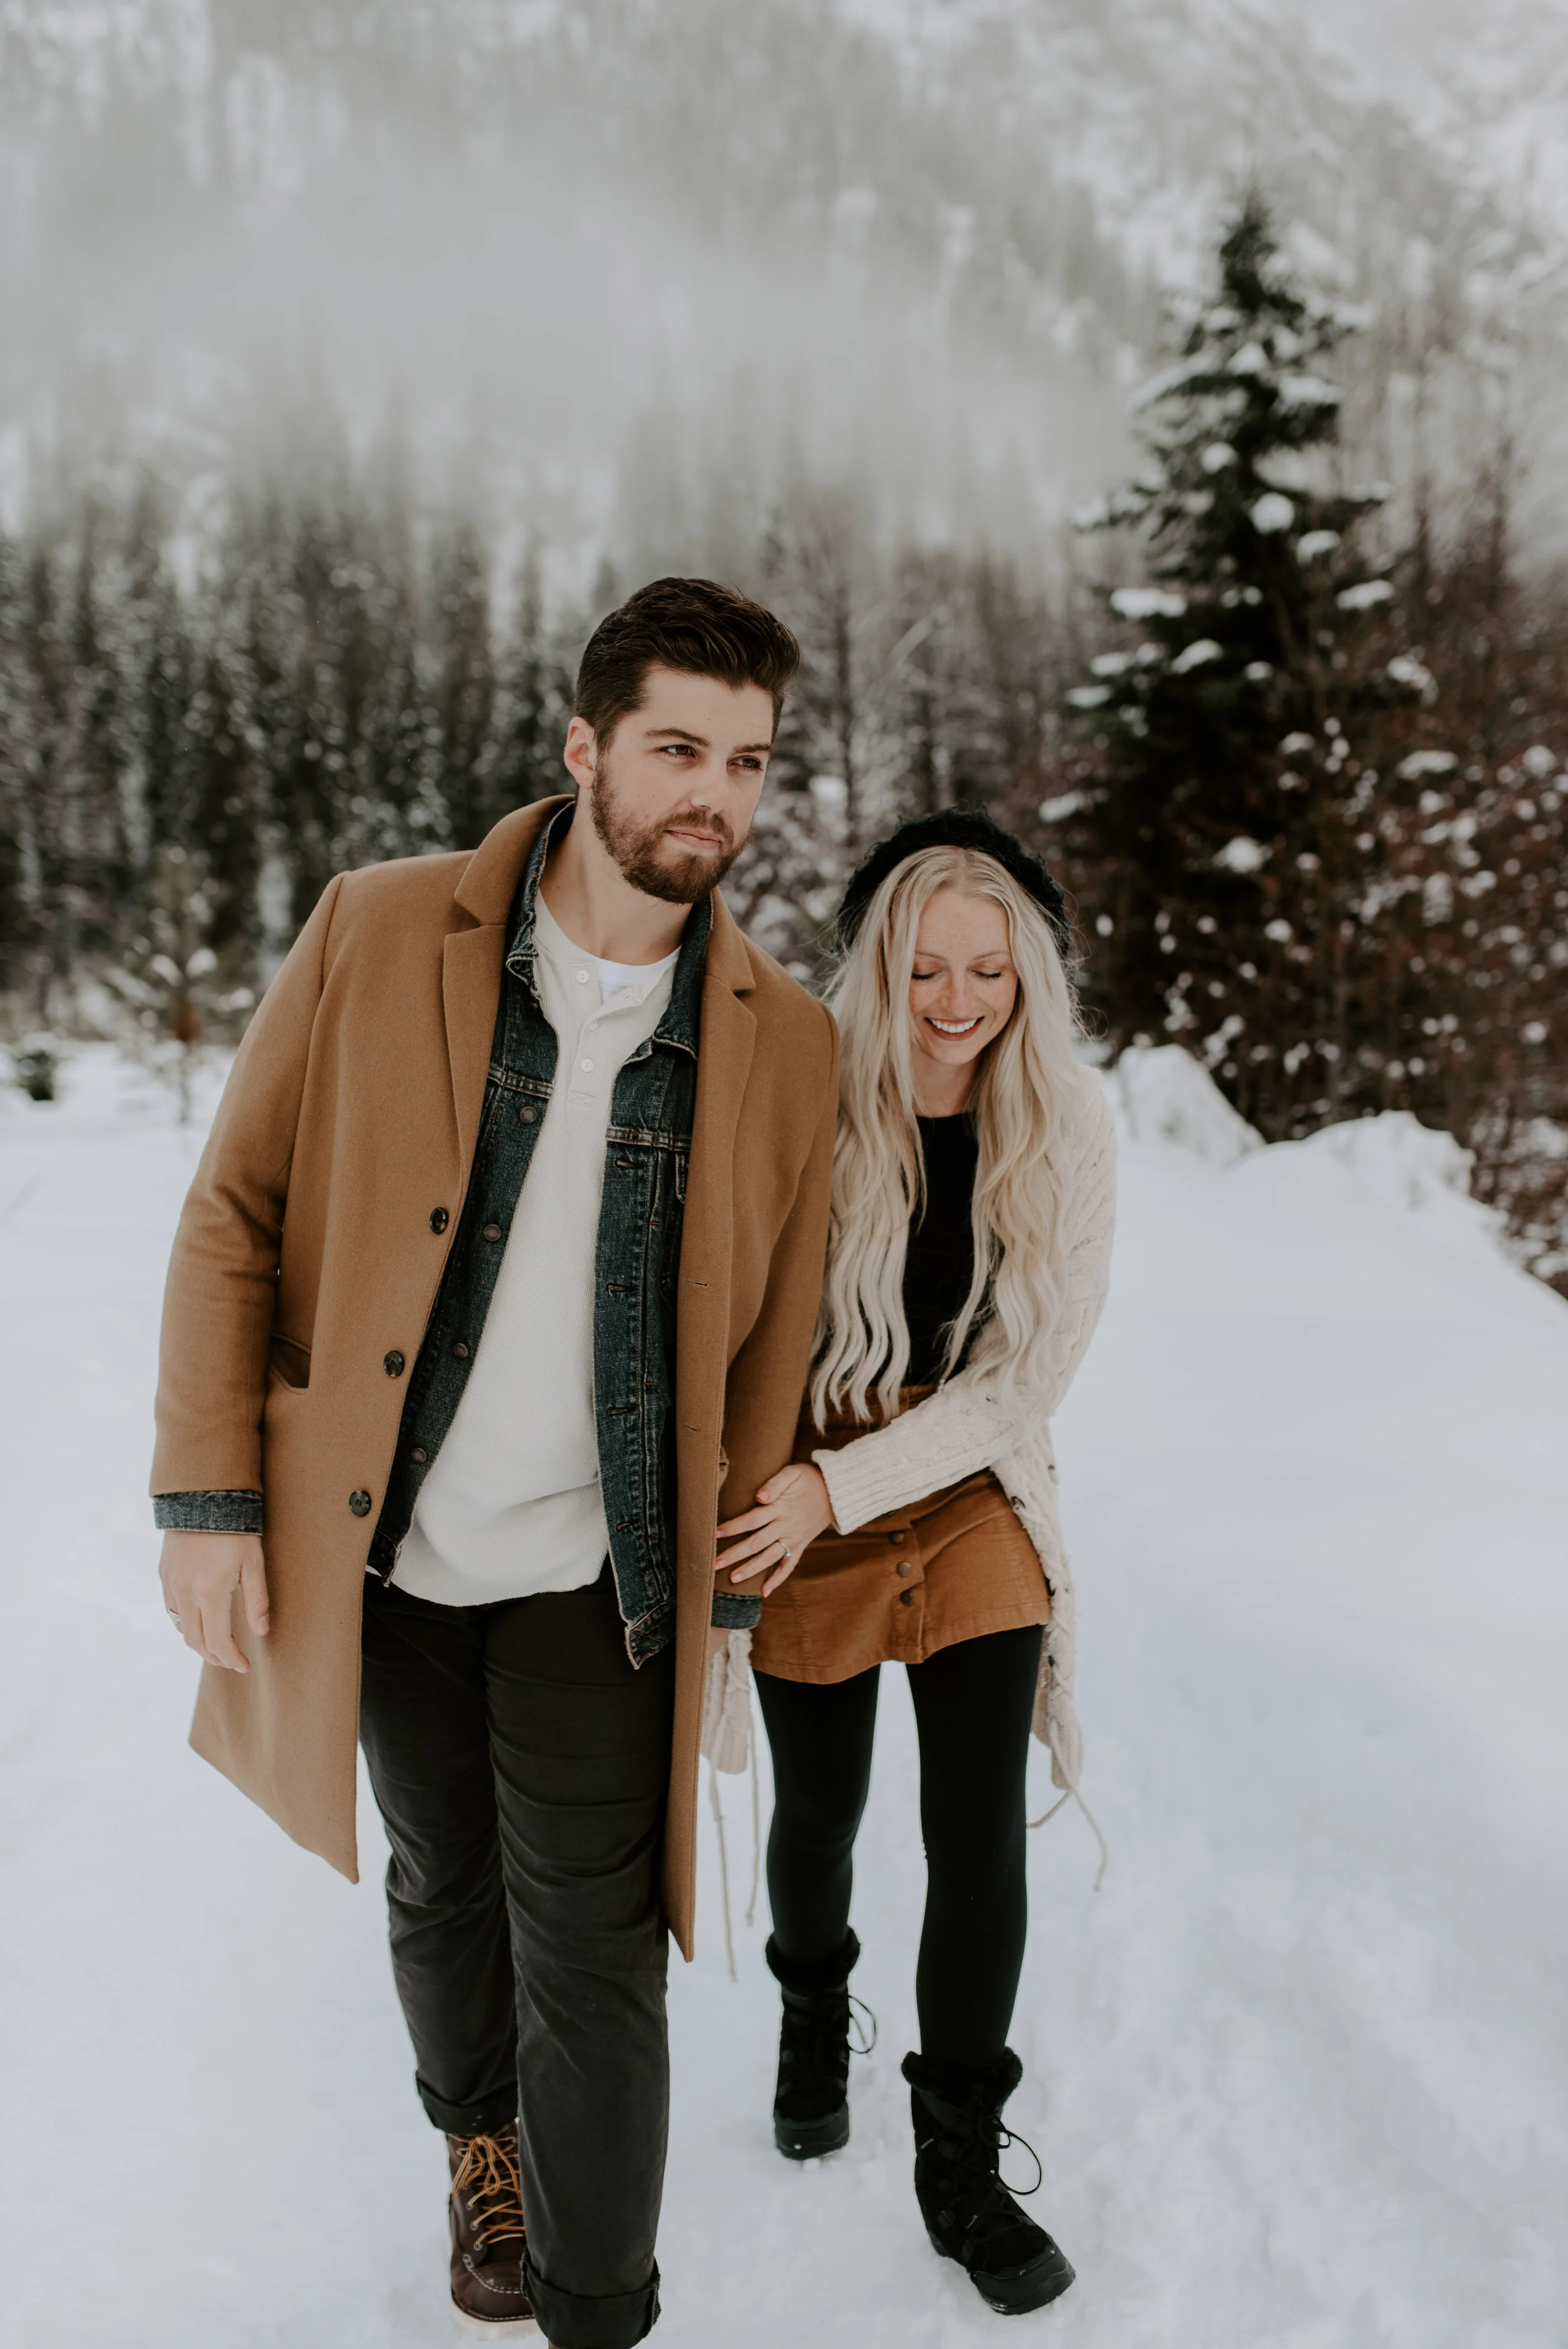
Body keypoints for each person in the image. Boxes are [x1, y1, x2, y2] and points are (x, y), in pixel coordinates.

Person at [152, 578, 839, 2348]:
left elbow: (768, 1346)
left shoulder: (781, 1037)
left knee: (596, 1961)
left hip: (594, 1573)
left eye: (747, 763)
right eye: (678, 748)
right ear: (584, 745)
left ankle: (599, 2305)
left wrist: (725, 1610)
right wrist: (211, 1499)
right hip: (379, 1552)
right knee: (441, 1882)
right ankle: (482, 2147)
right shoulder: (384, 933)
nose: (713, 796)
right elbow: (236, 1211)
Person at [716, 809, 1116, 2318]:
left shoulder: (1062, 1126)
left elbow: (1023, 1384)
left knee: (976, 1833)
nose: (956, 1004)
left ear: (1030, 982)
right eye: (927, 970)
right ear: (880, 964)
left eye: (989, 976)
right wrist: (792, 1491)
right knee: (817, 1813)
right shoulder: (800, 1093)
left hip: (955, 1478)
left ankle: (954, 2162)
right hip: (791, 1488)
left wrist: (850, 1485)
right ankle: (811, 2002)